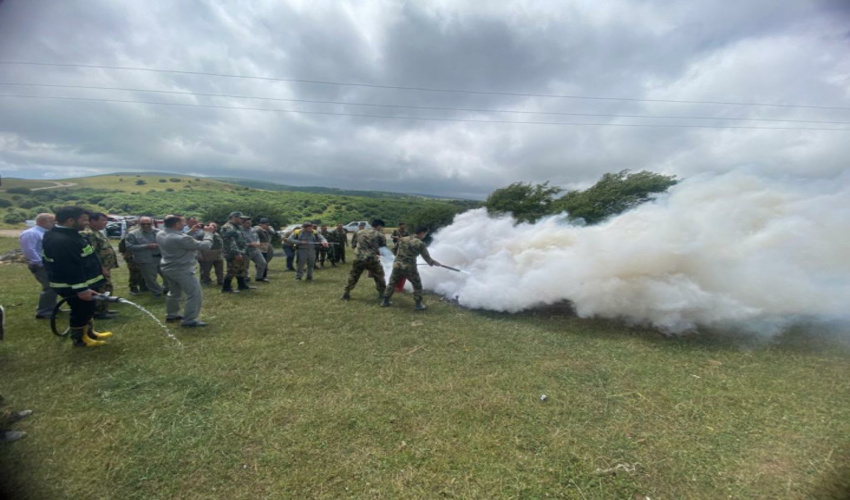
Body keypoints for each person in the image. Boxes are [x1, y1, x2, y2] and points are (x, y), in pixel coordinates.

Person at [42, 206, 112, 347]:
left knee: (88, 309)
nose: (87, 223)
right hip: (74, 285)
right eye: (84, 220)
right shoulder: (61, 240)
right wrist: (82, 289)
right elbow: (69, 267)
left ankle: (90, 333)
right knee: (80, 311)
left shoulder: (70, 235)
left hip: (84, 283)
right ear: (70, 220)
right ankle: (80, 339)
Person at [157, 215, 215, 327]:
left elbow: (179, 240)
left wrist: (191, 231)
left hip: (168, 267)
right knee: (194, 294)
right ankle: (189, 320)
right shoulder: (180, 238)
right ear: (176, 224)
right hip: (182, 269)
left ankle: (171, 314)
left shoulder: (161, 234)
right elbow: (205, 246)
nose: (184, 224)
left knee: (174, 292)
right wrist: (209, 233)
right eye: (182, 223)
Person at [382, 226, 441, 310]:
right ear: (421, 233)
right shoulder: (420, 243)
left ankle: (385, 301)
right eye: (425, 234)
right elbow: (427, 257)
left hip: (397, 265)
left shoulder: (403, 239)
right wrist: (434, 263)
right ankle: (418, 304)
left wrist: (399, 257)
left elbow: (394, 250)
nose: (424, 236)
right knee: (417, 284)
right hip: (409, 267)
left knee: (392, 283)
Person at [19, 212, 57, 319]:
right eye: (52, 221)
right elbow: (29, 250)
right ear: (42, 221)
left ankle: (51, 307)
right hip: (40, 265)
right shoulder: (30, 233)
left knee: (54, 286)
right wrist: (40, 263)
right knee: (49, 287)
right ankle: (43, 311)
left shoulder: (46, 232)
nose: (54, 224)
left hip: (48, 264)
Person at [341, 219, 388, 300]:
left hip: (359, 257)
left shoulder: (359, 232)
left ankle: (346, 293)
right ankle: (381, 294)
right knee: (379, 276)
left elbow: (354, 244)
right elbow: (382, 248)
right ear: (379, 226)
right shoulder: (380, 235)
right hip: (371, 258)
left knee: (354, 275)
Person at [86, 213, 120, 319]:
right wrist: (101, 267)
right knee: (103, 287)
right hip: (99, 268)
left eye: (106, 220)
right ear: (92, 221)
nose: (105, 223)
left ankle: (104, 308)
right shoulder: (90, 233)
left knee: (106, 287)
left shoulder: (96, 232)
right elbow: (93, 253)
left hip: (104, 267)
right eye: (102, 220)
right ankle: (99, 311)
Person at [124, 216, 164, 296]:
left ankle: (166, 289)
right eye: (143, 224)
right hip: (146, 259)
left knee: (167, 275)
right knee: (150, 278)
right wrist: (146, 246)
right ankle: (157, 292)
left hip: (160, 257)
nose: (146, 225)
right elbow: (129, 246)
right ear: (139, 223)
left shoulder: (159, 232)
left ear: (152, 223)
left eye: (148, 224)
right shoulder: (132, 234)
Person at [220, 211, 252, 293]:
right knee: (232, 270)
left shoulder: (238, 227)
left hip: (241, 251)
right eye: (240, 218)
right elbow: (231, 241)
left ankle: (242, 285)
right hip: (232, 252)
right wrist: (236, 253)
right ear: (234, 217)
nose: (242, 220)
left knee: (241, 269)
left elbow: (241, 240)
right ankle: (226, 288)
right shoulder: (228, 227)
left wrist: (243, 251)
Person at [198, 222, 224, 286]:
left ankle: (220, 280)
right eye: (212, 226)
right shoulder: (202, 235)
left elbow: (221, 244)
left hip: (217, 253)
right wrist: (199, 255)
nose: (213, 228)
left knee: (219, 269)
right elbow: (198, 246)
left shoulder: (217, 235)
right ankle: (205, 281)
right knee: (206, 269)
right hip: (207, 254)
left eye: (215, 227)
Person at [241, 217, 267, 283]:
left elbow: (257, 238)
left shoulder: (253, 230)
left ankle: (259, 277)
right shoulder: (239, 231)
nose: (249, 224)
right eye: (247, 223)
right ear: (242, 223)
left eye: (250, 223)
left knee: (262, 262)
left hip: (255, 249)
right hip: (246, 250)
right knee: (245, 266)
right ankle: (246, 278)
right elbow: (239, 242)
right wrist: (249, 244)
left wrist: (258, 243)